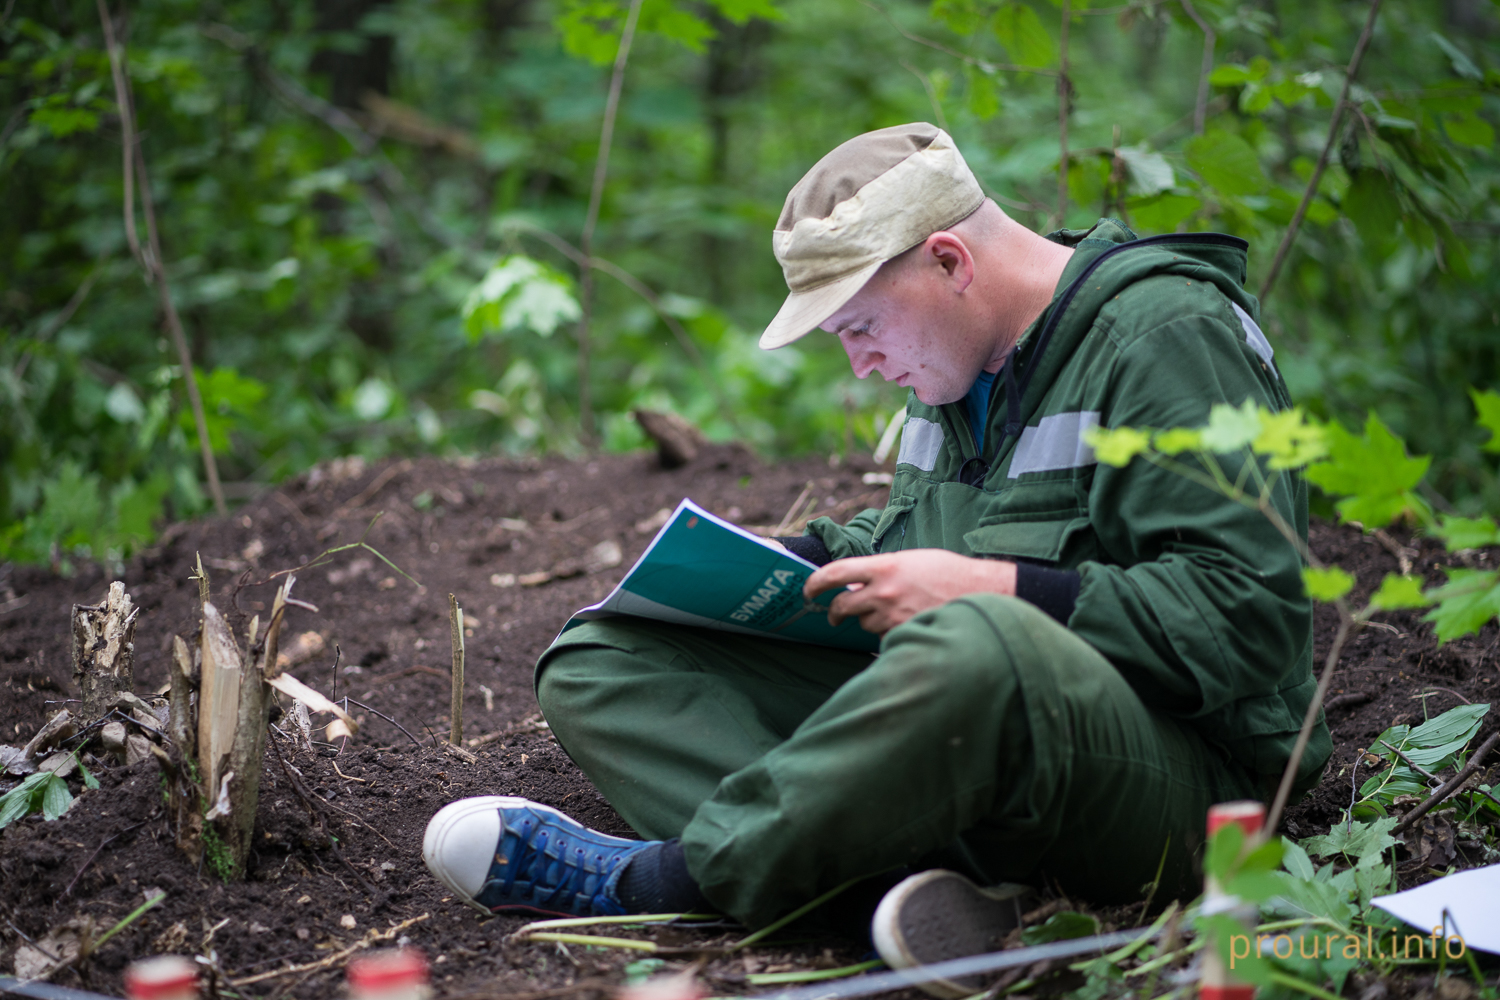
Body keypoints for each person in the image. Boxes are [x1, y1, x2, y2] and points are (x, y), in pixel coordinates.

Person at [422, 123, 1329, 988]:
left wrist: (993, 589)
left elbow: (1243, 616)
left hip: (1184, 789)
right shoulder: (959, 362)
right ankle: (913, 901)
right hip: (973, 729)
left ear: (949, 261)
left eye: (860, 327)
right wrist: (779, 564)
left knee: (980, 640)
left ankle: (670, 885)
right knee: (601, 659)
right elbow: (929, 533)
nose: (860, 365)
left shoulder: (1167, 336)